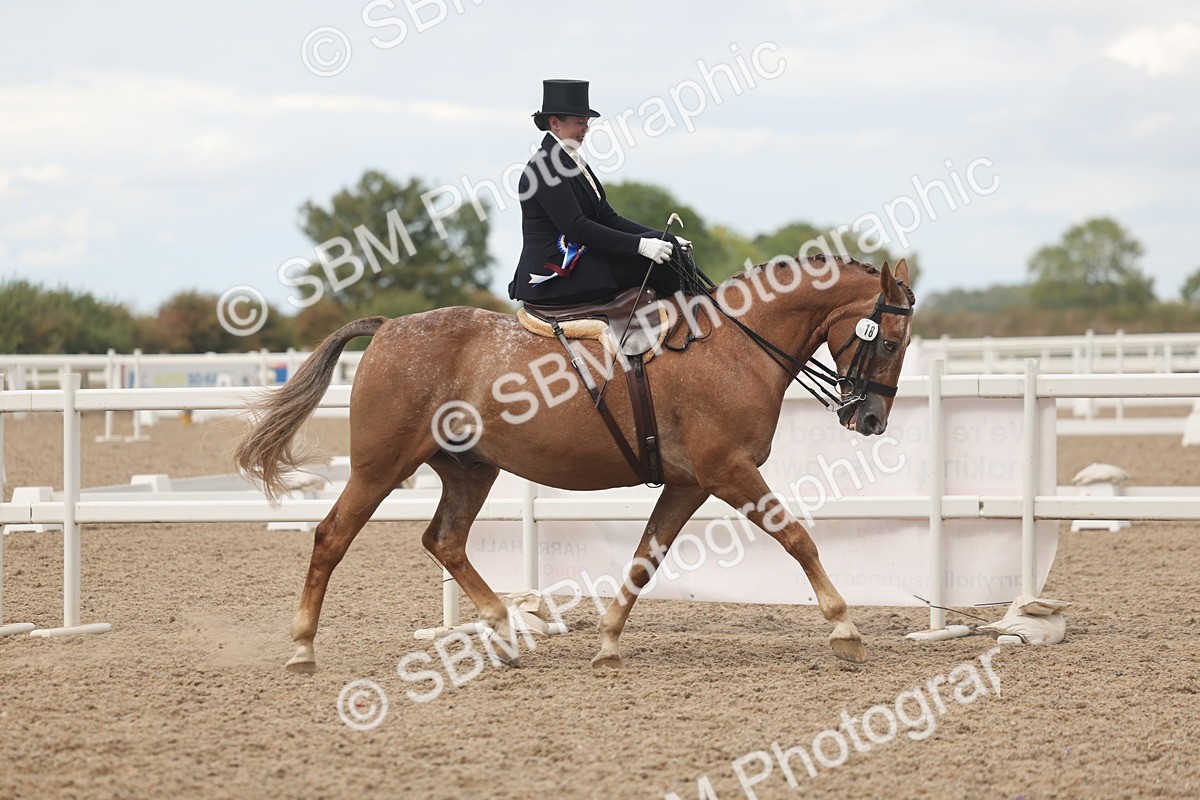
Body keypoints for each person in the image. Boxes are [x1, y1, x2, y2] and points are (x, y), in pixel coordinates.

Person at [508, 79, 691, 305]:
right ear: (555, 123)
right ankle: (701, 324)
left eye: (586, 122)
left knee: (670, 250)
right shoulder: (544, 168)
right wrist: (640, 246)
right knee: (658, 263)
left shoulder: (571, 160)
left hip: (582, 259)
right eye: (580, 122)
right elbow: (576, 227)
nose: (586, 129)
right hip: (553, 274)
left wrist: (664, 238)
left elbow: (607, 217)